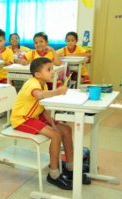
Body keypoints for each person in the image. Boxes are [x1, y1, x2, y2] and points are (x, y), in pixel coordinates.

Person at [10, 57, 91, 190]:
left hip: (36, 115)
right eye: (49, 69)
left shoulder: (44, 83)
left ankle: (70, 168)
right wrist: (58, 91)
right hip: (22, 119)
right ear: (37, 74)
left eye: (52, 69)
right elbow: (39, 96)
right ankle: (53, 174)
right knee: (55, 135)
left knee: (65, 129)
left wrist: (53, 124)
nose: (52, 72)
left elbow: (42, 108)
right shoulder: (33, 83)